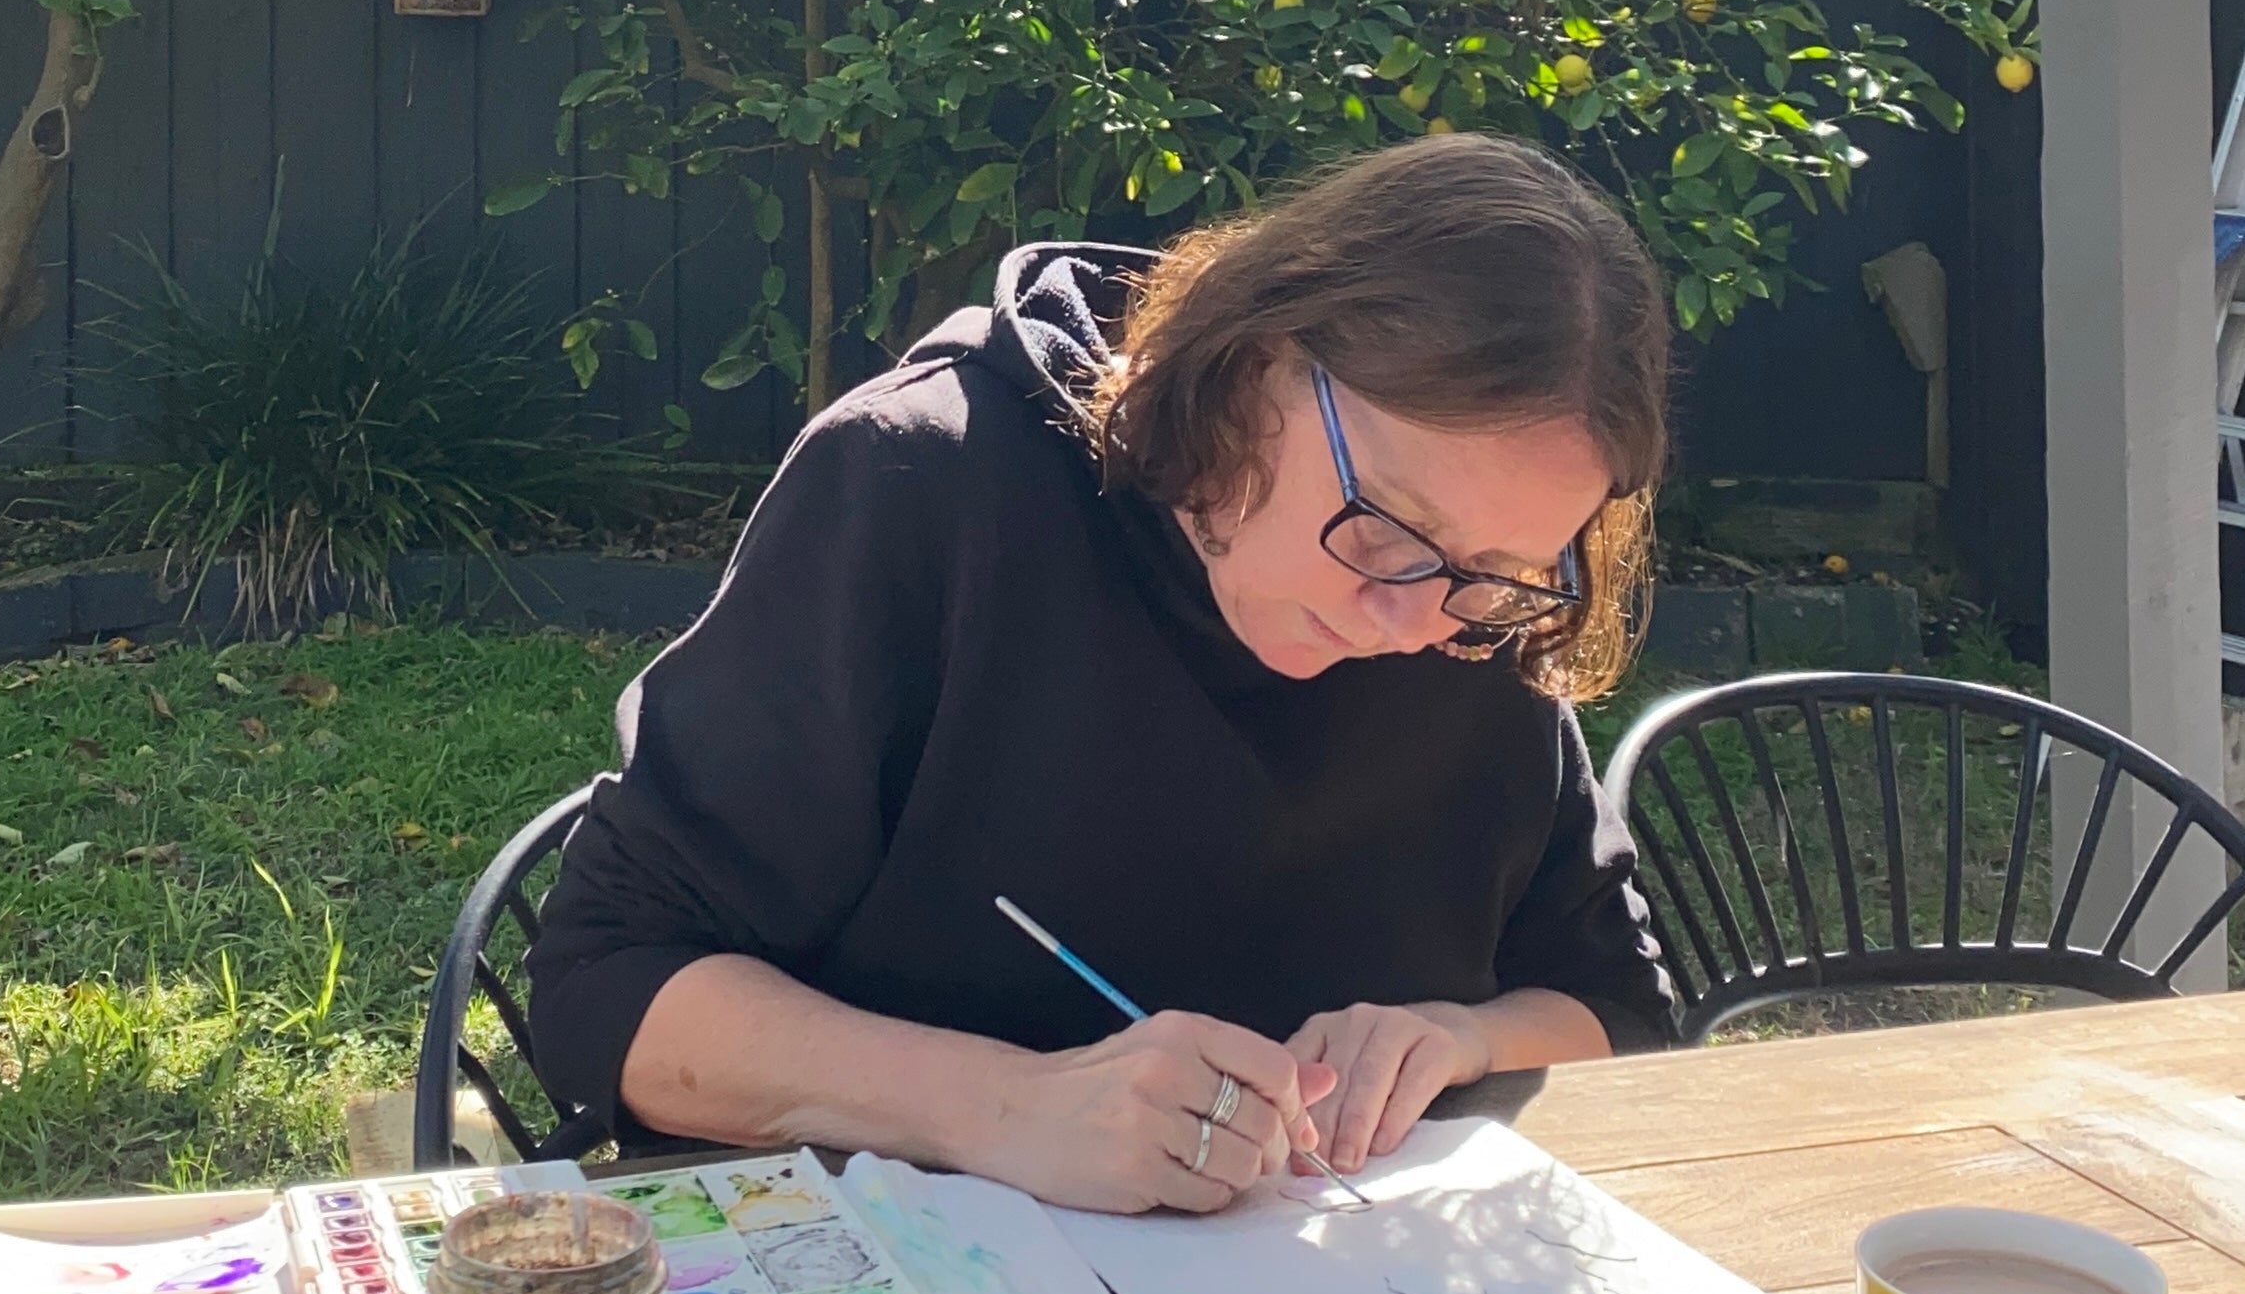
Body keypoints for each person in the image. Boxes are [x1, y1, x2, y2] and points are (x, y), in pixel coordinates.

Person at [528, 132, 1678, 1213]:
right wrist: (1003, 1107)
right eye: (1386, 528)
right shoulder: (930, 487)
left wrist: (1462, 1039)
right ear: (1257, 366)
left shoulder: (1477, 619)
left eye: (1501, 571)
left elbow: (1620, 1009)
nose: (1411, 617)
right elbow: (608, 990)